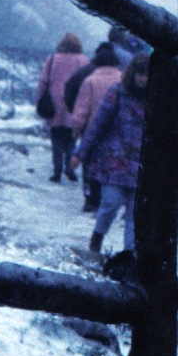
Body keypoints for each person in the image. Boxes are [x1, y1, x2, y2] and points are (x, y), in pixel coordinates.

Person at [73, 52, 151, 257]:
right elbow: (98, 124)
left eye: (148, 75)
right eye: (140, 74)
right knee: (110, 203)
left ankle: (129, 255)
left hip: (142, 164)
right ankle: (97, 237)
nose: (143, 79)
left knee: (135, 213)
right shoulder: (117, 92)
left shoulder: (158, 100)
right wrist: (80, 153)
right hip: (115, 160)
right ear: (133, 73)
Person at [69, 43, 123, 212]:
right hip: (117, 132)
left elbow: (82, 108)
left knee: (90, 165)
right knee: (111, 165)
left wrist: (77, 128)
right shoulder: (123, 80)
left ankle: (91, 199)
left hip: (92, 131)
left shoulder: (90, 81)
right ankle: (109, 199)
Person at [37, 33, 90, 183]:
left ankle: (57, 171)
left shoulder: (53, 58)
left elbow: (43, 81)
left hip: (54, 105)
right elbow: (87, 84)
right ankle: (70, 168)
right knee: (71, 140)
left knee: (56, 140)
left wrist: (39, 100)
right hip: (74, 104)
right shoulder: (83, 60)